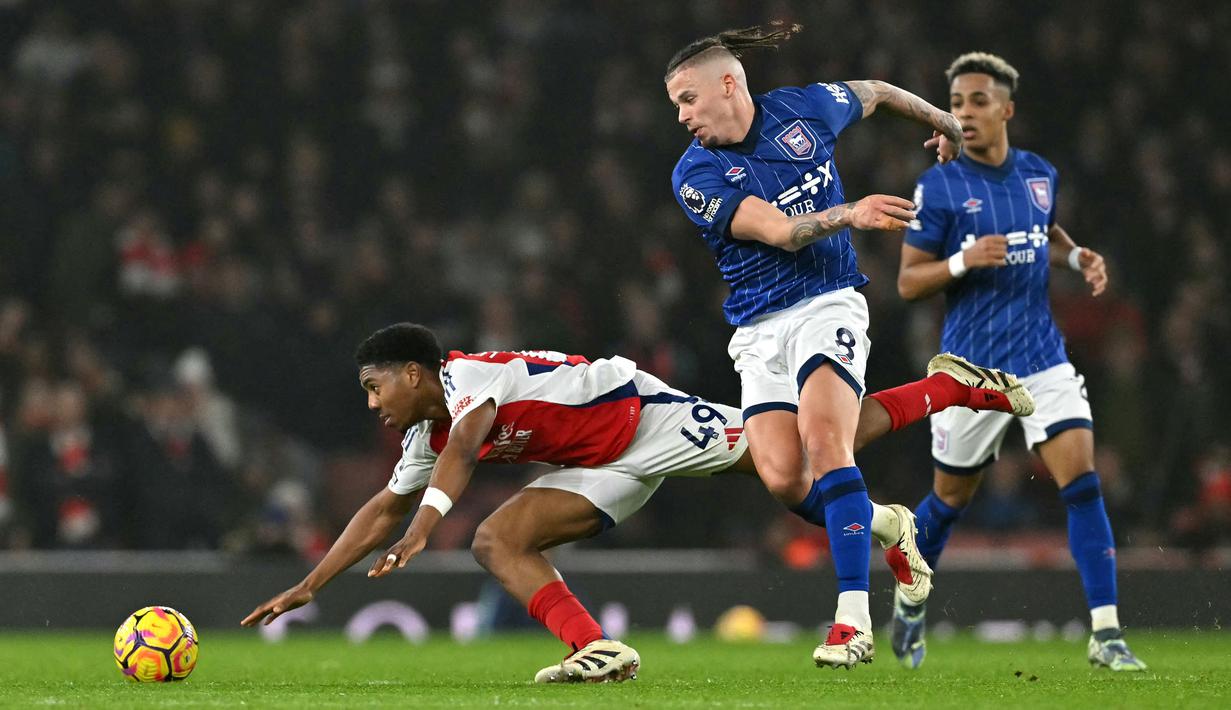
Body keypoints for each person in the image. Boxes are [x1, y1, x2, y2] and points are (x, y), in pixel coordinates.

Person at [242, 322, 1032, 682]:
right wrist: (314, 582)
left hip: (642, 418)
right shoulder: (425, 433)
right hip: (599, 466)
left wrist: (423, 528)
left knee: (807, 453)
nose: (372, 404)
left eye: (374, 386)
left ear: (411, 374)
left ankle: (948, 386)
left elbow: (463, 447)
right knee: (498, 540)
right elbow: (382, 507)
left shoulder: (464, 378)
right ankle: (597, 649)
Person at [664, 23, 980, 667]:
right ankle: (889, 522)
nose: (682, 117)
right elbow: (779, 231)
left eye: (687, 100)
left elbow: (877, 91)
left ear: (728, 85)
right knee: (782, 477)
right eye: (676, 106)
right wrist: (849, 213)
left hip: (826, 303)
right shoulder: (695, 174)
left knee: (825, 440)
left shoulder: (804, 109)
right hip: (757, 330)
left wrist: (945, 121)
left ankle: (853, 622)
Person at [891, 52, 1146, 671]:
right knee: (948, 503)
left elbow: (1046, 232)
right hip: (968, 373)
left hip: (1041, 359)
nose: (965, 113)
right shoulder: (940, 187)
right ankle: (910, 600)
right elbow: (906, 282)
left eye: (978, 101)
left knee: (1082, 486)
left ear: (1007, 108)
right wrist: (961, 261)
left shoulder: (1039, 174)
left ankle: (1107, 635)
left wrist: (1077, 256)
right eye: (956, 104)